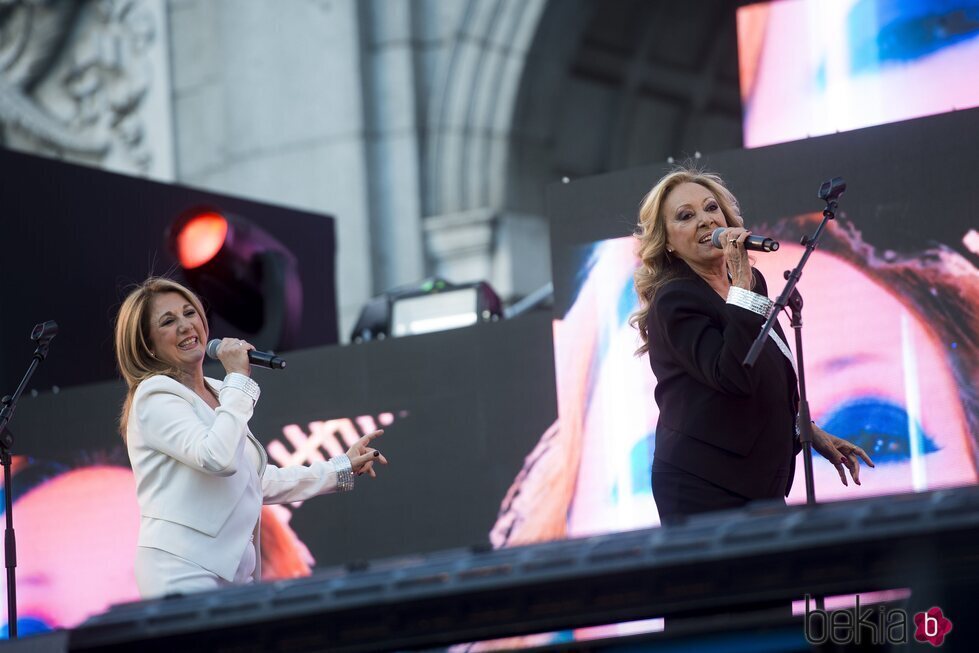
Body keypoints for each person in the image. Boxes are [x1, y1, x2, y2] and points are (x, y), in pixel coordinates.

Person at [114, 277, 388, 598]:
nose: (186, 326)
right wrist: (238, 379)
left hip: (234, 573)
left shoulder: (219, 391)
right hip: (181, 570)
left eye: (190, 313)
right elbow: (218, 458)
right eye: (168, 321)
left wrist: (341, 468)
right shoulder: (155, 395)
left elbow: (254, 482)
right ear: (147, 344)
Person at [630, 167, 874, 525]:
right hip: (704, 484)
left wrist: (806, 430)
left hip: (755, 479)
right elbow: (732, 375)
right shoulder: (675, 300)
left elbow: (762, 370)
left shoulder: (748, 285)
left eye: (711, 208)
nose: (704, 220)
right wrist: (742, 286)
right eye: (686, 216)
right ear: (666, 241)